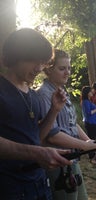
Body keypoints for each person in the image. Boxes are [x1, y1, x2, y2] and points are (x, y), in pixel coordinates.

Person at [0, 28, 72, 200]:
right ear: (15, 56)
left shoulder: (33, 96)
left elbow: (36, 138)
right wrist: (37, 153)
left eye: (42, 62)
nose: (39, 68)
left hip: (39, 184)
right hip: (8, 188)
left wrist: (54, 110)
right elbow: (35, 149)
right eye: (34, 60)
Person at [37, 49, 96, 200]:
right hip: (57, 164)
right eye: (62, 68)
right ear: (48, 69)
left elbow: (73, 124)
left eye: (69, 68)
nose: (67, 72)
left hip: (73, 160)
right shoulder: (43, 95)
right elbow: (52, 136)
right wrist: (85, 146)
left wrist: (91, 143)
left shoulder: (62, 91)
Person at [81, 86, 96, 164]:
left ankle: (94, 155)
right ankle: (91, 158)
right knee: (91, 140)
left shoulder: (89, 101)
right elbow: (88, 113)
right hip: (90, 123)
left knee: (94, 139)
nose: (92, 93)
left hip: (93, 123)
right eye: (90, 92)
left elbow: (92, 111)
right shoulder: (85, 101)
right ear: (87, 93)